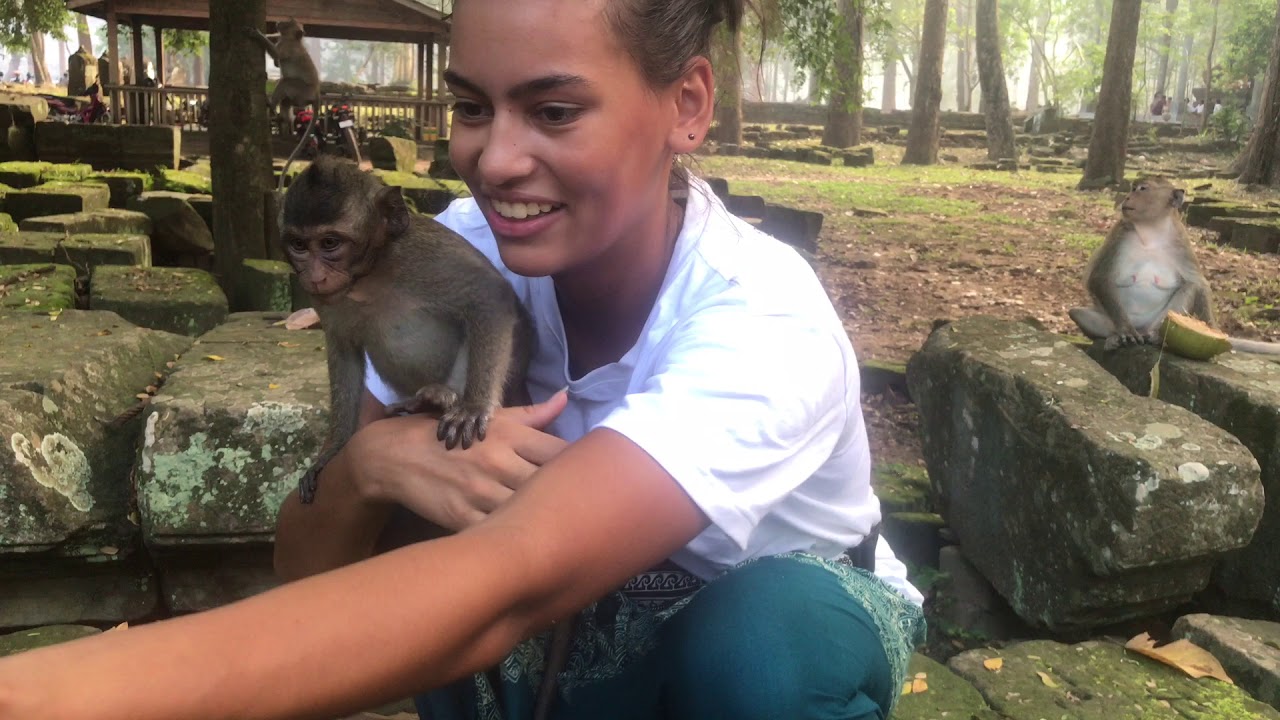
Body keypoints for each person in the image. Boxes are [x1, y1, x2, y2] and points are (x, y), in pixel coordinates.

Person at [0, 1, 926, 718]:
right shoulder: (464, 241)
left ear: (687, 106)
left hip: (759, 611)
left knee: (754, 651)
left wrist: (45, 696)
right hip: (565, 602)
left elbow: (507, 581)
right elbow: (312, 566)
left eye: (555, 110)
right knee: (420, 517)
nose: (497, 159)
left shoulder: (763, 315)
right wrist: (365, 466)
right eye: (473, 107)